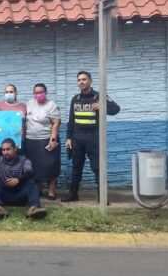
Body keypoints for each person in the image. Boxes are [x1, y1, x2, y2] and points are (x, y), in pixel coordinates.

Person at [62, 71, 120, 202]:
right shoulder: (75, 99)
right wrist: (68, 138)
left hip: (94, 138)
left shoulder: (99, 96)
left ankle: (102, 197)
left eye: (84, 79)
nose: (81, 82)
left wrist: (102, 106)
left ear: (90, 81)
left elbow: (116, 109)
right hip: (77, 138)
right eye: (79, 80)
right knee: (76, 167)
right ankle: (73, 194)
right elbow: (71, 120)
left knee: (98, 167)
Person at [0, 138, 47, 220]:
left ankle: (34, 208)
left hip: (21, 196)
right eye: (3, 150)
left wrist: (18, 180)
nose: (5, 152)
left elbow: (30, 172)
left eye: (8, 149)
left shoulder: (24, 160)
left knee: (33, 186)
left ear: (15, 149)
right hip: (4, 197)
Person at [25, 83, 61, 200]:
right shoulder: (29, 104)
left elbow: (56, 123)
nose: (39, 94)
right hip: (31, 140)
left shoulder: (51, 105)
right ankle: (38, 189)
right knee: (35, 167)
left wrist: (53, 139)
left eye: (41, 92)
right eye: (36, 93)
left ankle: (51, 190)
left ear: (46, 93)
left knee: (51, 165)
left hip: (47, 139)